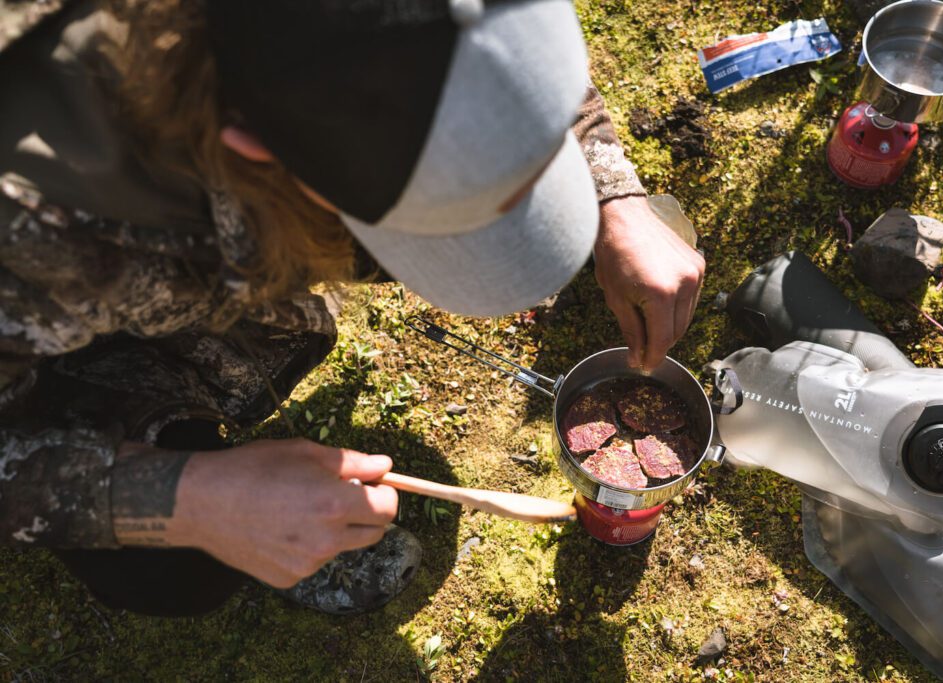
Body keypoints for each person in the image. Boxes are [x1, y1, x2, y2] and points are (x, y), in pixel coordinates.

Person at [0, 0, 705, 616]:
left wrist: (610, 189)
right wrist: (190, 497)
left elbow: (481, 48)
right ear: (253, 142)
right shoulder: (38, 220)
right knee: (171, 572)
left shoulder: (334, 53)